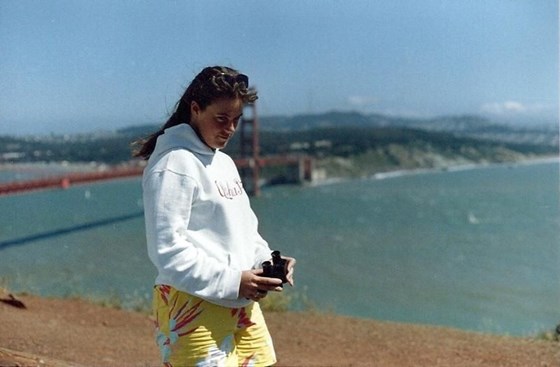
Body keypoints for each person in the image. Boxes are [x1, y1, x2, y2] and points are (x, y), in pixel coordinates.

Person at [134, 65, 296, 367]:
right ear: (195, 109)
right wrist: (233, 281)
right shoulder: (173, 164)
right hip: (192, 304)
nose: (230, 129)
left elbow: (246, 231)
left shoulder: (223, 162)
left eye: (236, 120)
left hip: (241, 304)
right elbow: (166, 251)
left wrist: (267, 263)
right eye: (221, 119)